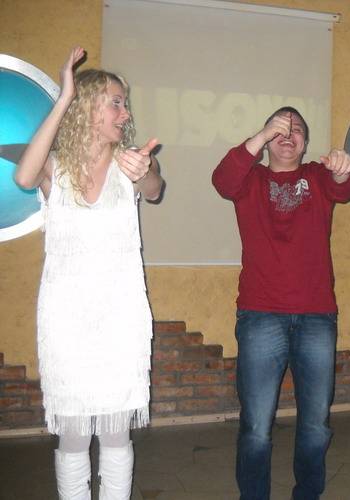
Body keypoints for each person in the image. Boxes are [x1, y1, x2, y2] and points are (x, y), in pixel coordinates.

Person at [14, 46, 163, 499]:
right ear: (87, 108)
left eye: (125, 103)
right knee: (74, 437)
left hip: (120, 318)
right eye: (116, 102)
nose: (125, 112)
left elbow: (154, 188)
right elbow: (23, 178)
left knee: (116, 434)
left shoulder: (131, 162)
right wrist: (64, 96)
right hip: (67, 320)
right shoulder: (54, 167)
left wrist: (145, 169)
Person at [212, 107, 350, 500]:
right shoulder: (250, 179)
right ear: (265, 139)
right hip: (260, 314)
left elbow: (343, 189)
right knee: (256, 427)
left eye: (297, 131)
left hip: (317, 316)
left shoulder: (318, 176)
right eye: (279, 130)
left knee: (316, 425)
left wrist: (342, 169)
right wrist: (260, 136)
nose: (288, 136)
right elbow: (222, 180)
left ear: (305, 143)